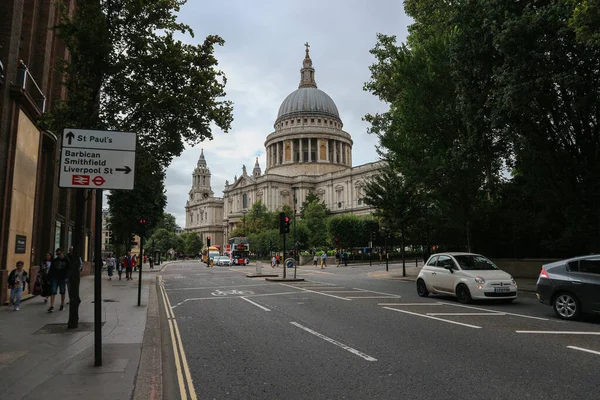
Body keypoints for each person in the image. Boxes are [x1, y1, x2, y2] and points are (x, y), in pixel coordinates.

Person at [48, 248, 70, 312]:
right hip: (55, 277)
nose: (58, 255)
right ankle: (51, 306)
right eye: (57, 254)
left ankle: (62, 305)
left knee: (62, 291)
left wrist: (67, 277)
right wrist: (49, 278)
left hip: (63, 278)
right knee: (53, 291)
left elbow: (68, 269)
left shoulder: (66, 260)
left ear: (62, 253)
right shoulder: (55, 260)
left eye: (59, 253)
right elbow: (51, 270)